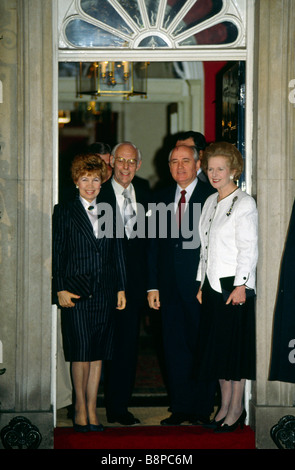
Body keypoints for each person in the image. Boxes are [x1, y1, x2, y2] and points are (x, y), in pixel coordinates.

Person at [52, 153, 126, 433]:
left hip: (105, 292)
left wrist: (121, 288)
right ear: (75, 181)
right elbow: (58, 253)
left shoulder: (110, 209)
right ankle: (79, 410)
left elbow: (118, 252)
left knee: (98, 355)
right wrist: (59, 287)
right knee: (80, 354)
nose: (91, 185)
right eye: (85, 179)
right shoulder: (64, 211)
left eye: (96, 179)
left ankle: (93, 412)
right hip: (76, 292)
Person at [147, 145, 216, 425]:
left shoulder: (211, 196)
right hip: (168, 289)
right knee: (174, 348)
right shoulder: (160, 197)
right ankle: (180, 407)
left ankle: (201, 409)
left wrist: (206, 284)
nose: (180, 166)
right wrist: (152, 286)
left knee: (201, 347)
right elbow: (152, 246)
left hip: (199, 288)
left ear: (198, 163)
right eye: (174, 161)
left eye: (186, 160)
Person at [195, 141, 258, 432]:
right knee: (217, 351)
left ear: (234, 170)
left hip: (233, 288)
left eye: (220, 168)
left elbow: (249, 248)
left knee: (233, 353)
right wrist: (199, 283)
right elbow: (204, 248)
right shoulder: (210, 201)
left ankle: (236, 410)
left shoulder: (244, 202)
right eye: (210, 168)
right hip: (210, 287)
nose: (214, 173)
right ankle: (223, 408)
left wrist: (242, 284)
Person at [99, 141, 151, 426]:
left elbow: (151, 243)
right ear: (112, 163)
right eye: (121, 160)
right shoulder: (98, 192)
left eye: (131, 162)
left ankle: (119, 407)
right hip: (103, 282)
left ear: (138, 165)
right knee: (98, 347)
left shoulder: (145, 192)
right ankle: (83, 404)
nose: (126, 166)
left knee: (127, 347)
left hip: (133, 285)